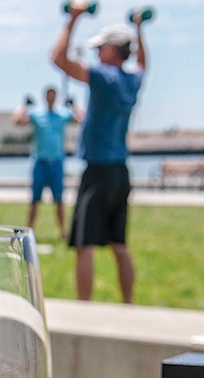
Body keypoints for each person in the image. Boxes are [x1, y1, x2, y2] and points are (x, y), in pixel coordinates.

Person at [52, 9, 146, 304]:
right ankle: (128, 304)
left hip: (97, 171)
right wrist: (140, 29)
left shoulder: (103, 77)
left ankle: (84, 309)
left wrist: (74, 17)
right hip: (120, 172)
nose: (95, 55)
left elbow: (58, 59)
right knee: (119, 244)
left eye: (98, 49)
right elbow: (143, 62)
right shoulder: (133, 81)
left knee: (84, 245)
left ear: (110, 50)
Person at [12, 87, 81, 239]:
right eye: (48, 95)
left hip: (57, 162)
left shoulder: (63, 115)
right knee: (35, 200)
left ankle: (63, 233)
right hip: (40, 162)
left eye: (53, 95)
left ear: (56, 97)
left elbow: (82, 118)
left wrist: (73, 104)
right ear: (45, 97)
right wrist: (25, 105)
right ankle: (28, 233)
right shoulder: (36, 115)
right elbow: (16, 120)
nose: (51, 98)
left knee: (59, 200)